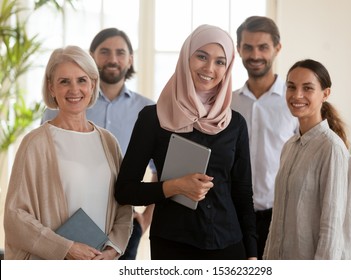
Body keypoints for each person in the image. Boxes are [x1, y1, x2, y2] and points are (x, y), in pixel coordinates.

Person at [115, 24, 257, 260]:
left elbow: (243, 192)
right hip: (173, 245)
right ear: (185, 58)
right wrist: (175, 186)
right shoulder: (153, 118)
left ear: (228, 67)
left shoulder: (235, 123)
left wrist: (252, 253)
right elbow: (125, 190)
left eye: (220, 62)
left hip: (229, 245)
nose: (209, 68)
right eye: (201, 56)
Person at [3, 46, 133, 260]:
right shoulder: (35, 143)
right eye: (64, 81)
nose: (75, 89)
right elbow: (15, 216)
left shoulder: (108, 141)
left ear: (92, 85)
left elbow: (123, 204)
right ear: (51, 88)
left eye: (82, 80)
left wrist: (113, 249)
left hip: (99, 262)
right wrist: (66, 248)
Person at [42, 28, 156, 260]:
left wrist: (145, 220)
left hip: (122, 225)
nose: (113, 59)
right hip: (66, 223)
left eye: (120, 53)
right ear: (91, 56)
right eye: (104, 52)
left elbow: (160, 170)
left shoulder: (148, 111)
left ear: (130, 59)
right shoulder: (66, 103)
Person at [263, 59, 351, 259]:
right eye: (291, 87)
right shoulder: (289, 147)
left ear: (325, 94)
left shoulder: (331, 149)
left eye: (307, 88)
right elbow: (277, 220)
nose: (297, 95)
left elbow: (332, 229)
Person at [230, 16, 298, 258]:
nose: (255, 55)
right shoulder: (228, 102)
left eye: (263, 47)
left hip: (281, 216)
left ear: (277, 48)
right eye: (248, 47)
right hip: (234, 217)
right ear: (238, 49)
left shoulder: (293, 104)